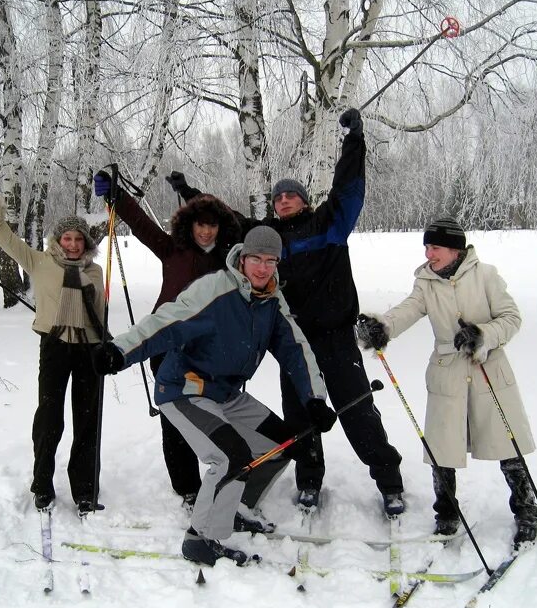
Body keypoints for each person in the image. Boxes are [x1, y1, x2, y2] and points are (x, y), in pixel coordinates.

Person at [167, 108, 405, 517]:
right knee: (300, 417)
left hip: (334, 337)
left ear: (305, 200)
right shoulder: (267, 237)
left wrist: (354, 139)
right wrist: (190, 193)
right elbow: (225, 220)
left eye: (290, 194)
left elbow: (349, 188)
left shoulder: (329, 225)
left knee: (356, 410)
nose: (283, 199)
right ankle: (309, 480)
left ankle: (389, 480)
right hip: (292, 340)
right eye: (278, 196)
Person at [89, 226, 335, 566]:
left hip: (226, 393)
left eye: (271, 261)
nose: (263, 269)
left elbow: (296, 348)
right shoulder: (215, 289)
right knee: (230, 457)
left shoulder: (272, 300)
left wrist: (315, 399)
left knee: (282, 445)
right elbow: (166, 322)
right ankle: (201, 538)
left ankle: (232, 509)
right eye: (256, 260)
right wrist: (120, 351)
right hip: (185, 389)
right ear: (243, 258)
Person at [355, 217, 537, 550]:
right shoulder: (426, 282)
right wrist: (383, 327)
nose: (429, 253)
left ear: (454, 249)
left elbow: (511, 318)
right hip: (447, 372)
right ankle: (447, 513)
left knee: (505, 443)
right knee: (443, 447)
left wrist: (483, 335)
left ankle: (526, 511)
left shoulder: (486, 275)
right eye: (426, 246)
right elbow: (408, 310)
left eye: (434, 247)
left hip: (488, 368)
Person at [93, 173, 241, 510]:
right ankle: (187, 488)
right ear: (189, 225)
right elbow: (142, 226)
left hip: (206, 353)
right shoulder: (173, 249)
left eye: (212, 225)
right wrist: (117, 196)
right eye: (200, 225)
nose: (206, 231)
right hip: (166, 347)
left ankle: (227, 474)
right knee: (174, 421)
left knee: (212, 416)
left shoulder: (228, 262)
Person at [0, 174, 106, 514]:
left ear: (86, 242)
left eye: (79, 238)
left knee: (88, 420)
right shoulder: (40, 262)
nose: (73, 243)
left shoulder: (95, 272)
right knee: (49, 418)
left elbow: (100, 315)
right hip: (55, 347)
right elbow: (5, 235)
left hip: (90, 350)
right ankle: (43, 484)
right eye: (67, 237)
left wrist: (107, 348)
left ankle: (85, 489)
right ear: (58, 240)